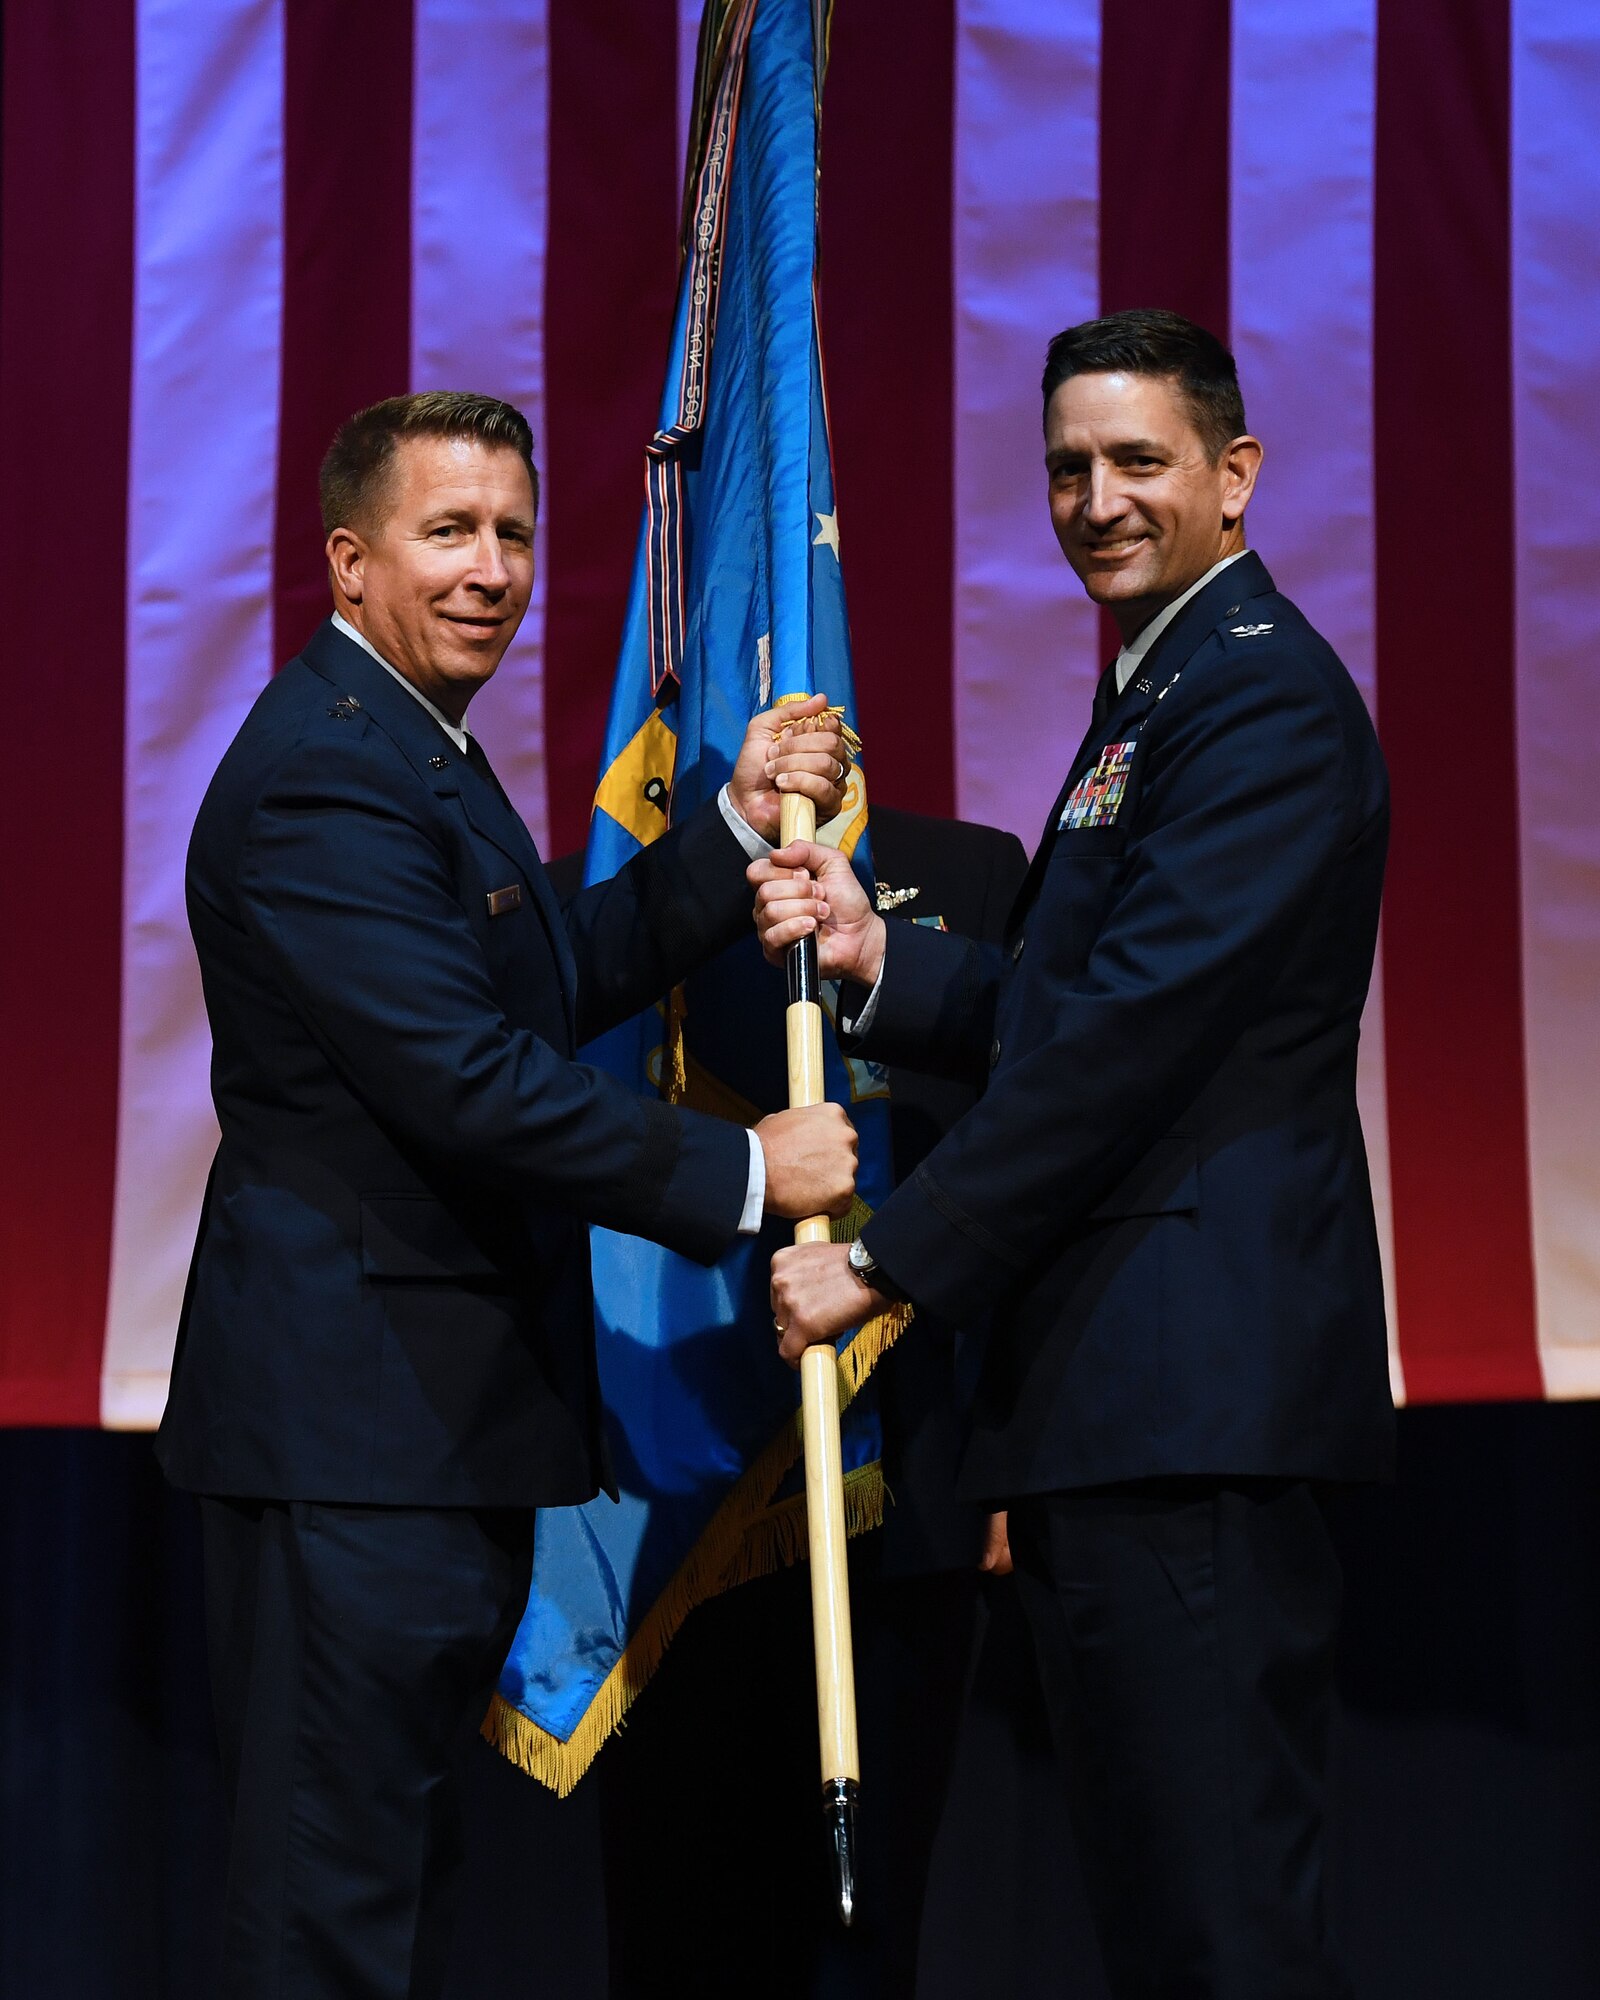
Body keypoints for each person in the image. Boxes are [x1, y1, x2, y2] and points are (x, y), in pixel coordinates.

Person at [156, 390, 858, 2000]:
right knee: (332, 1918)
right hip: (352, 1444)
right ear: (348, 559)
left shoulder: (413, 750)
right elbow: (464, 1084)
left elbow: (531, 984)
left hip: (410, 1442)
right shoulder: (330, 779)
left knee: (386, 1896)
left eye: (515, 532)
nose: (492, 569)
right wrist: (748, 1170)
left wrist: (729, 831)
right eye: (448, 530)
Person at [754, 310, 1394, 1998]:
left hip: (1191, 1398)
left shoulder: (1257, 700)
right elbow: (1077, 994)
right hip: (1127, 1397)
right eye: (1067, 466)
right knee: (1168, 1916)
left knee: (1217, 1923)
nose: (1096, 499)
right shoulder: (1165, 682)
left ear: (1236, 476)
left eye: (1137, 461)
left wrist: (888, 1264)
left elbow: (1127, 1044)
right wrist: (880, 957)